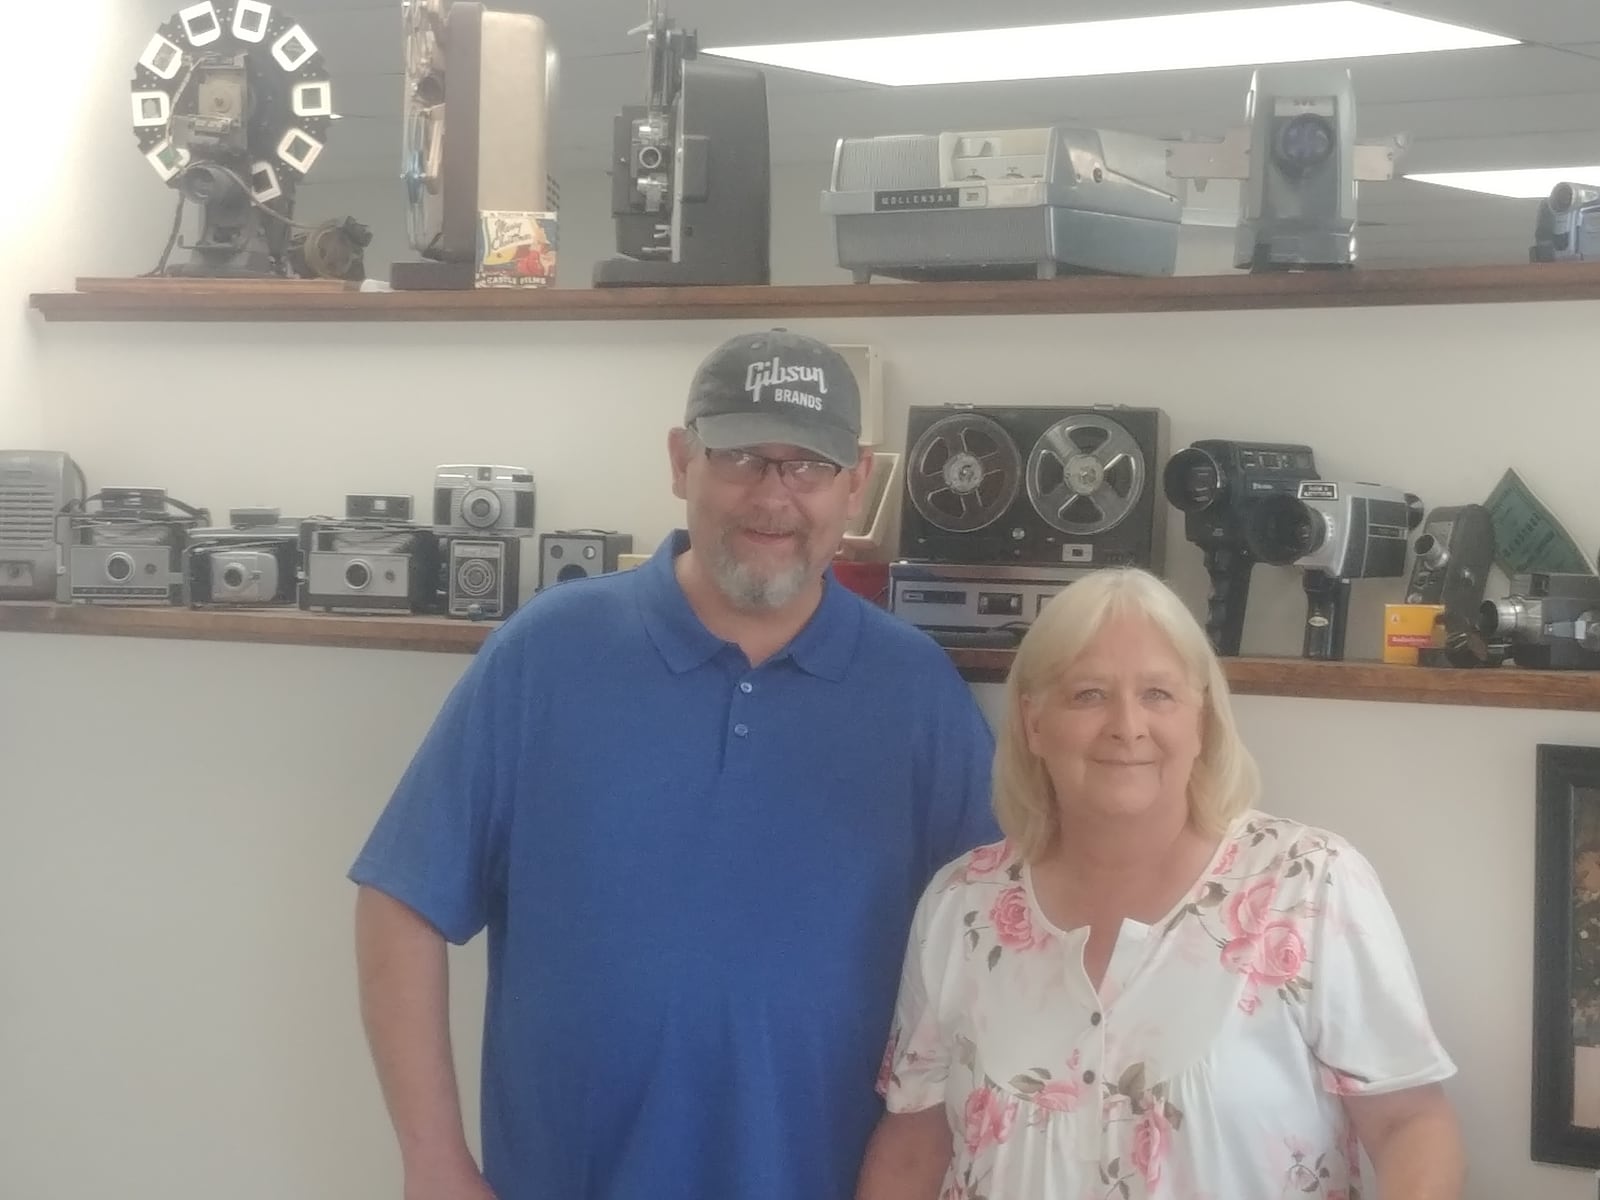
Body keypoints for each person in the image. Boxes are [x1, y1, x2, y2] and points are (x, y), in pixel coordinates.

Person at [350, 329, 998, 1200]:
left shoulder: (917, 692)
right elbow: (402, 903)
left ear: (859, 483)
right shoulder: (548, 654)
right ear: (679, 459)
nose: (774, 496)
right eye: (741, 457)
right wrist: (432, 1163)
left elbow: (993, 954)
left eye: (807, 465)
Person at [857, 567, 1464, 1200]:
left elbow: (1409, 1125)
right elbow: (914, 1145)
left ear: (1202, 718)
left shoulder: (1308, 885)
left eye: (1158, 694)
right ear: (1033, 723)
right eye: (1088, 694)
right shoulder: (961, 905)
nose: (1127, 725)